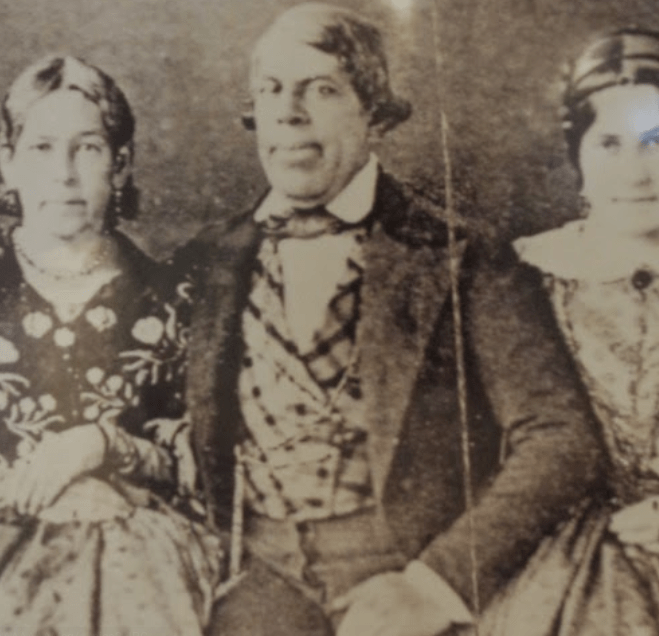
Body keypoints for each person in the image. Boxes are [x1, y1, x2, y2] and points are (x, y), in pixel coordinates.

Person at [180, 4, 604, 635]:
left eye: (321, 89)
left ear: (375, 115)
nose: (289, 112)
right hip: (257, 575)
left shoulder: (459, 253)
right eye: (271, 90)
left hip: (409, 578)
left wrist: (437, 583)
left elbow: (560, 437)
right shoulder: (211, 257)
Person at [0, 55, 224, 635]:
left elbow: (203, 464)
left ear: (120, 164)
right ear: (7, 164)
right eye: (42, 148)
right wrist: (44, 492)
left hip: (142, 569)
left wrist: (104, 447)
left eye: (88, 148)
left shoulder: (174, 297)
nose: (64, 174)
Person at [481, 27, 659, 635]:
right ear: (578, 155)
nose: (636, 171)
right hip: (566, 562)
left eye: (655, 141)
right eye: (610, 143)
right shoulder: (522, 274)